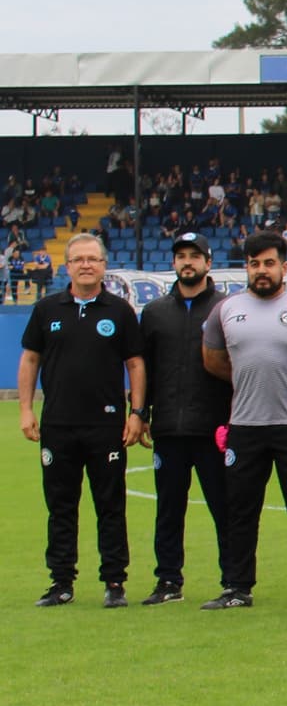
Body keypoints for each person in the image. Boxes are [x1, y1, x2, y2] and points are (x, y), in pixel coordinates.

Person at [199, 231, 287, 611]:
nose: (261, 270)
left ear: (284, 267)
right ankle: (237, 587)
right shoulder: (225, 309)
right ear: (247, 268)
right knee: (240, 508)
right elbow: (213, 360)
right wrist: (246, 377)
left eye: (269, 263)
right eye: (254, 264)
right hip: (245, 425)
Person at [18, 234, 144, 607]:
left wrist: (137, 412)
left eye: (93, 258)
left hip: (106, 426)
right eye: (78, 259)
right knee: (60, 505)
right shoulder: (46, 309)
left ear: (104, 265)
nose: (86, 264)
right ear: (67, 266)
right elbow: (29, 360)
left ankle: (114, 583)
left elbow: (135, 363)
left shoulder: (120, 311)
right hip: (57, 424)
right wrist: (26, 409)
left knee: (110, 505)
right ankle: (61, 583)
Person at [136, 231, 232, 606]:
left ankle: (233, 580)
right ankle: (168, 582)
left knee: (225, 508)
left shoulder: (226, 307)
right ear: (174, 263)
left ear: (208, 263)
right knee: (168, 510)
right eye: (181, 256)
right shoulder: (155, 312)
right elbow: (144, 367)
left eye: (195, 256)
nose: (187, 262)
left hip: (215, 428)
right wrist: (140, 413)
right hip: (169, 430)